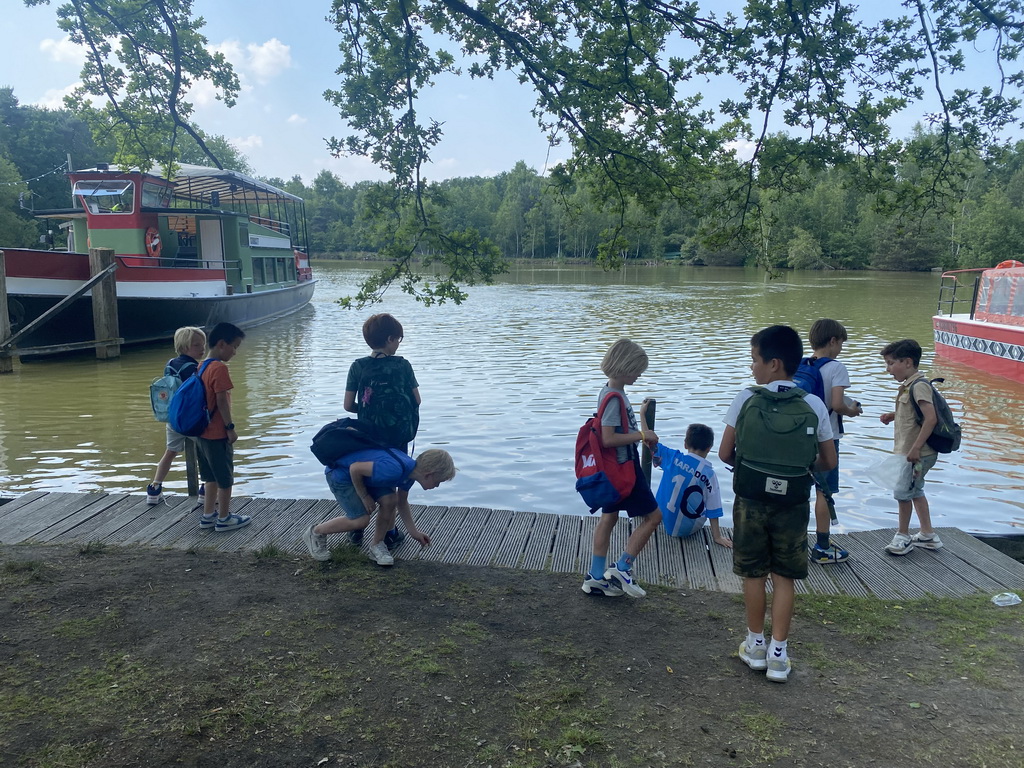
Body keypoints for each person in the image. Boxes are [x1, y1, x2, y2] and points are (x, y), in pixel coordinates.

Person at [719, 325, 836, 683]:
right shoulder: (813, 404)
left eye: (755, 360)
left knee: (753, 573)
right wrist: (795, 469)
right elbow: (827, 461)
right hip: (793, 504)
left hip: (751, 502)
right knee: (785, 576)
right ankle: (779, 655)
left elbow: (725, 452)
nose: (752, 367)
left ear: (773, 363)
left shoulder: (746, 398)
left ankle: (755, 646)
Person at [580, 338, 662, 599]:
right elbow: (608, 438)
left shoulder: (609, 392)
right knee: (654, 517)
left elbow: (620, 427)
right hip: (624, 468)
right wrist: (642, 435)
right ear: (625, 367)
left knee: (610, 517)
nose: (639, 375)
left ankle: (595, 578)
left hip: (613, 470)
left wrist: (640, 416)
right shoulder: (615, 399)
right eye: (637, 370)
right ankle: (623, 568)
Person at [344, 313, 421, 550]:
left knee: (367, 477)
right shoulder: (403, 365)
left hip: (369, 436)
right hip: (398, 436)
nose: (399, 343)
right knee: (394, 477)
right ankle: (390, 531)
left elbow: (348, 406)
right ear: (390, 339)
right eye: (399, 339)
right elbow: (417, 400)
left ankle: (357, 527)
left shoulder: (358, 366)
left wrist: (367, 411)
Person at [303, 448, 456, 566]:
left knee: (390, 500)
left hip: (365, 479)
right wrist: (364, 496)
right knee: (361, 520)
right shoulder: (394, 469)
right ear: (429, 474)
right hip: (341, 476)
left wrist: (414, 532)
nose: (436, 486)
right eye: (438, 482)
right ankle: (316, 532)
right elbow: (355, 468)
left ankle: (376, 545)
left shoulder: (409, 475)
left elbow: (401, 503)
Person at [804, 319, 864, 564]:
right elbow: (838, 404)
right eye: (841, 344)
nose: (840, 349)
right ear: (832, 341)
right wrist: (852, 411)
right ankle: (822, 546)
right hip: (827, 437)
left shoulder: (803, 364)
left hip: (801, 437)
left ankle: (794, 541)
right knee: (824, 492)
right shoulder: (836, 367)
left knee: (801, 490)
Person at [879, 339, 943, 555]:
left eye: (890, 363)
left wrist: (915, 448)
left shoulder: (919, 386)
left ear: (907, 362)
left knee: (903, 492)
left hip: (917, 454)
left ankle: (903, 537)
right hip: (914, 453)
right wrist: (894, 415)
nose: (888, 369)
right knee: (915, 491)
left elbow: (931, 418)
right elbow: (914, 415)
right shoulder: (909, 386)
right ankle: (927, 535)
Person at [195, 322, 249, 532]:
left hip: (202, 432)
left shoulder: (201, 366)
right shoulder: (219, 368)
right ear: (221, 344)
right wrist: (230, 427)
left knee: (209, 476)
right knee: (225, 478)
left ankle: (208, 515)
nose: (235, 352)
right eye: (234, 346)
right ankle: (224, 518)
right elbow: (221, 401)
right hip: (217, 433)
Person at [147, 326, 206, 505]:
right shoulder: (195, 368)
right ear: (184, 347)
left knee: (170, 452)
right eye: (197, 345)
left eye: (203, 344)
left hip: (172, 418)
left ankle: (154, 488)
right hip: (191, 420)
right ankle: (205, 490)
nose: (203, 348)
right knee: (205, 453)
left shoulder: (170, 364)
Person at [652, 423, 731, 547]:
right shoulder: (709, 474)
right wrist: (717, 537)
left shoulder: (672, 457)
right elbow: (713, 508)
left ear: (685, 444)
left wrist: (642, 415)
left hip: (662, 520)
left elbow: (649, 442)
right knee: (706, 498)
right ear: (709, 448)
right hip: (688, 529)